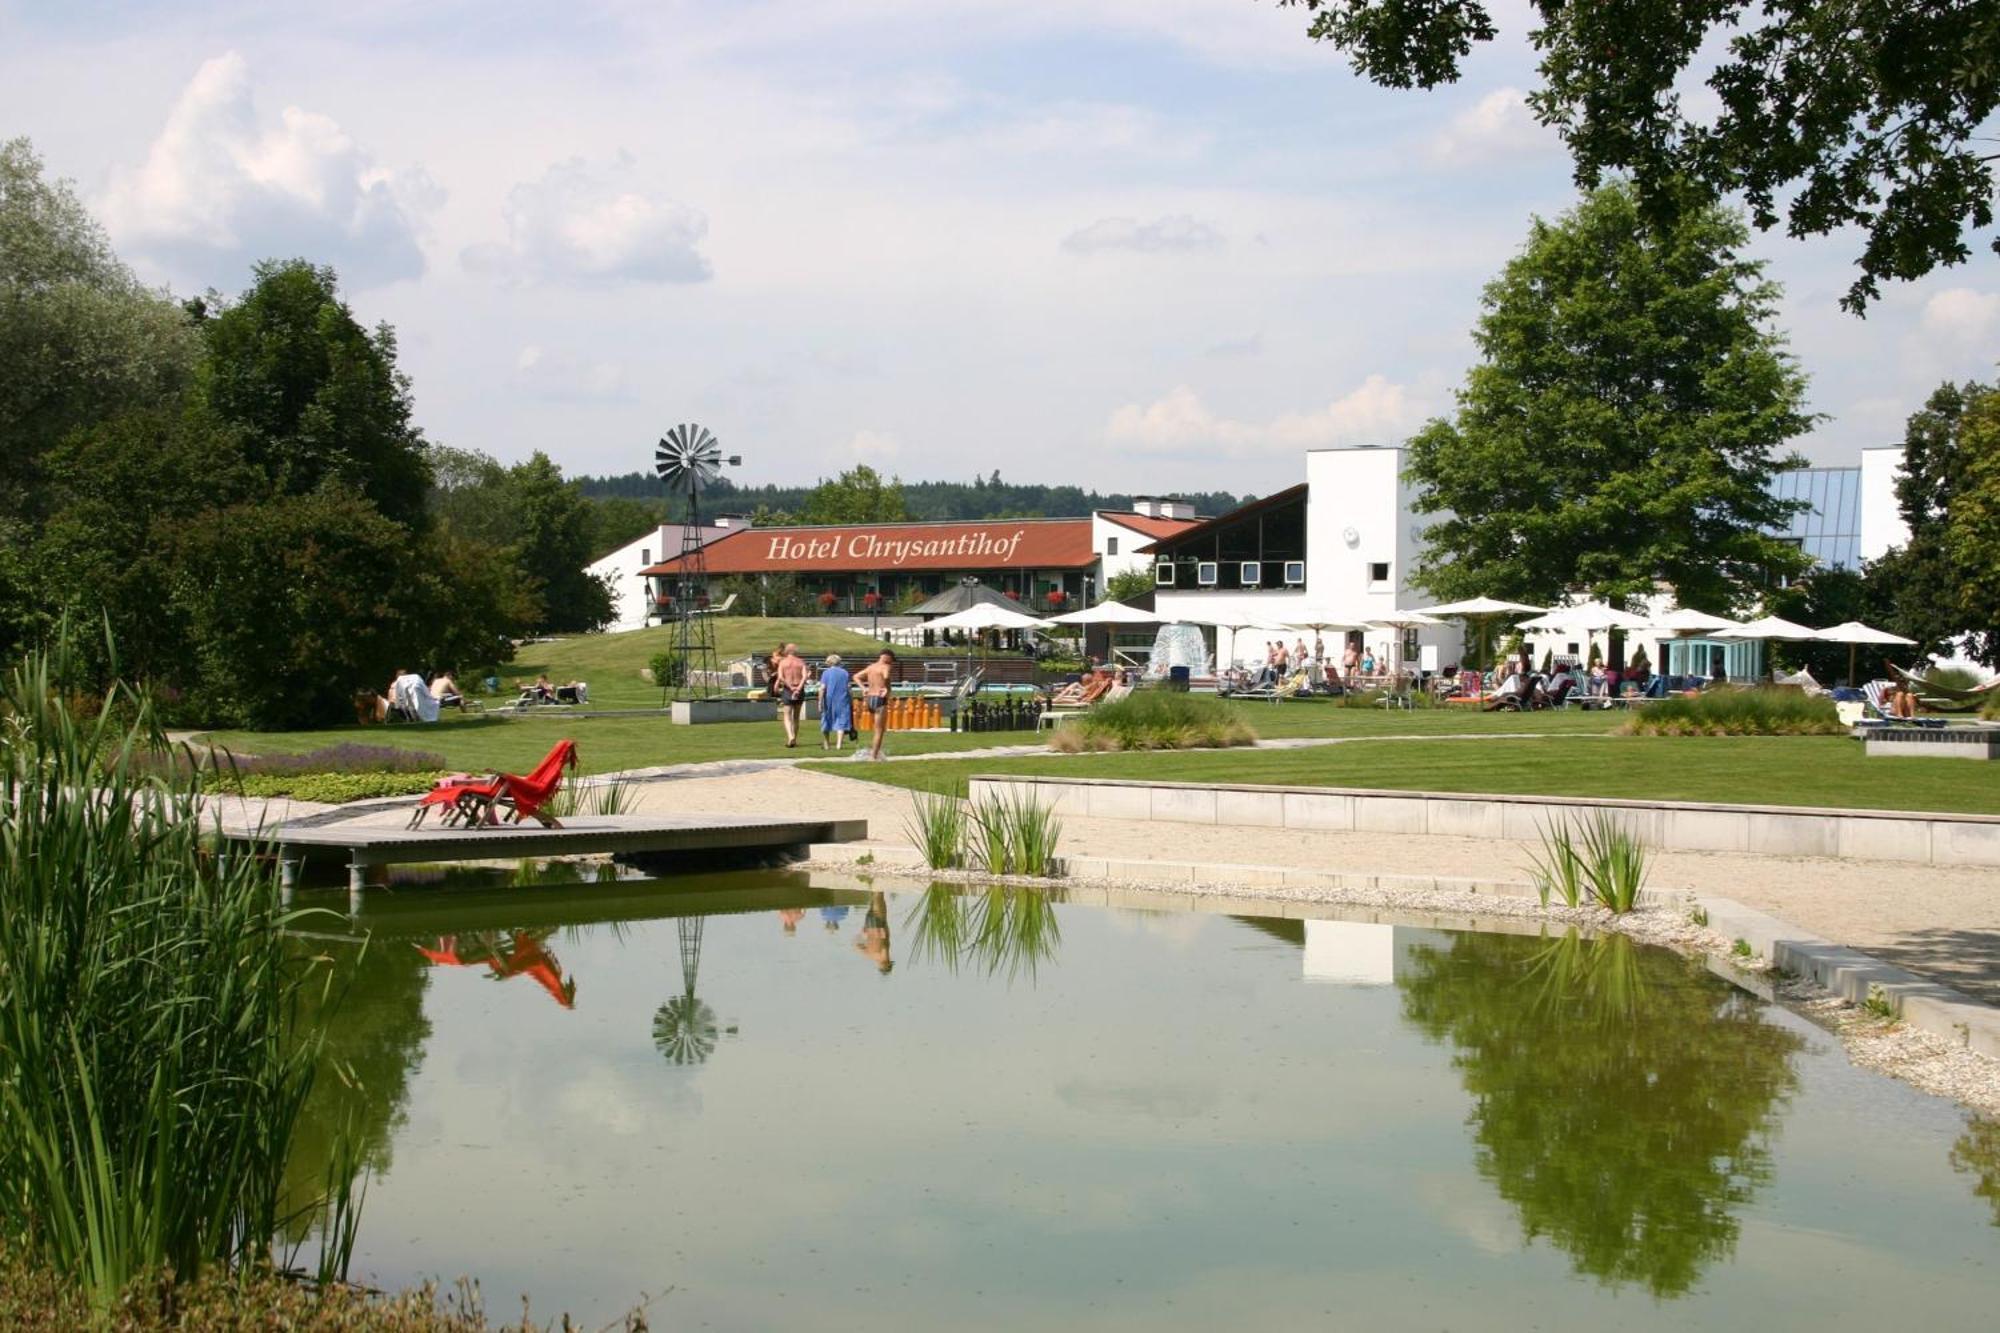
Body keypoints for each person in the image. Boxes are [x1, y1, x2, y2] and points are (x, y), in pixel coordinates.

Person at [854, 649, 896, 761]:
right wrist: (887, 688)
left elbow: (856, 676)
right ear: (887, 657)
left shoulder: (871, 667)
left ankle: (874, 752)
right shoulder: (885, 667)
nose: (892, 663)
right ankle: (873, 756)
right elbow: (886, 677)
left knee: (876, 728)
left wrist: (864, 688)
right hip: (880, 698)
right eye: (892, 660)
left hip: (870, 698)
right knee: (879, 730)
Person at [774, 642, 809, 747]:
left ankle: (790, 736)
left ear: (787, 651)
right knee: (796, 716)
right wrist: (798, 688)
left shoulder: (783, 662)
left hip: (788, 690)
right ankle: (795, 738)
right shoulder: (801, 662)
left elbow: (781, 677)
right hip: (799, 688)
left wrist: (790, 687)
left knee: (787, 715)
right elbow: (804, 676)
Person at [818, 653, 853, 751]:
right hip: (842, 699)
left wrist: (820, 702)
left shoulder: (826, 673)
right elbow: (849, 687)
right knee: (841, 721)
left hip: (828, 700)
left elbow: (822, 688)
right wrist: (851, 699)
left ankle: (826, 744)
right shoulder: (845, 673)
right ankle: (839, 745)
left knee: (825, 720)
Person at [855, 890, 893, 975]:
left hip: (879, 925)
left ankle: (876, 879)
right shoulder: (870, 955)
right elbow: (857, 946)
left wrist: (885, 924)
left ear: (886, 964)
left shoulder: (883, 957)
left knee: (878, 895)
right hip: (868, 925)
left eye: (889, 963)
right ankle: (871, 880)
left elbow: (884, 946)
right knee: (874, 899)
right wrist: (863, 933)